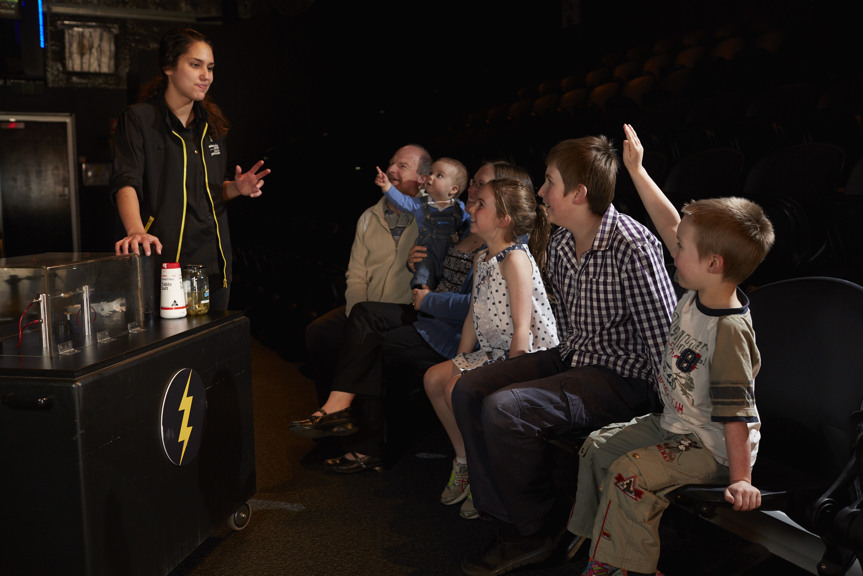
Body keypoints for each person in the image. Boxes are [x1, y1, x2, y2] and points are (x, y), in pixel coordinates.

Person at [451, 135, 678, 576]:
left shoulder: (632, 246)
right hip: (576, 357)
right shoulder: (558, 244)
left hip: (623, 378)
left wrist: (671, 418)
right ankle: (506, 518)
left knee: (505, 409)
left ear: (578, 193)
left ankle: (534, 532)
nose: (540, 192)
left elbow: (663, 339)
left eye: (549, 183)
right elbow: (568, 333)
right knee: (470, 389)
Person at [570, 123, 775, 576]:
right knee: (596, 448)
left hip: (712, 447)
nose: (672, 249)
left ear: (713, 264)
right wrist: (636, 171)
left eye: (680, 248)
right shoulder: (701, 282)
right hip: (676, 425)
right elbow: (669, 222)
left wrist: (741, 479)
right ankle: (600, 543)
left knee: (630, 473)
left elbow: (737, 414)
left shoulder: (728, 333)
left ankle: (625, 565)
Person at [290, 161, 535, 474]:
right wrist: (416, 263)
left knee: (373, 344)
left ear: (503, 199)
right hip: (429, 314)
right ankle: (338, 412)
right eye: (473, 182)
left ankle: (365, 446)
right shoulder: (466, 225)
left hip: (448, 327)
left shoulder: (503, 246)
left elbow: (478, 307)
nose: (473, 190)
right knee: (360, 318)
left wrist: (430, 299)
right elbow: (436, 262)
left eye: (481, 186)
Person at [424, 177, 559, 521]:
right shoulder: (483, 257)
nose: (471, 208)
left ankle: (488, 480)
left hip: (526, 356)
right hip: (493, 352)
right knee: (433, 378)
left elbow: (523, 328)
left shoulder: (515, 260)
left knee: (457, 389)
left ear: (504, 220)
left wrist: (514, 376)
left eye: (480, 204)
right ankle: (465, 462)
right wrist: (459, 357)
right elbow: (473, 312)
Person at [110, 27, 270, 312]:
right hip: (165, 263)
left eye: (209, 67)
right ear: (169, 67)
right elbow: (126, 180)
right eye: (195, 65)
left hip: (214, 262)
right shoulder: (139, 119)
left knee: (213, 351)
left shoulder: (213, 125)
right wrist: (136, 230)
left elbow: (208, 190)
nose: (205, 75)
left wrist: (237, 188)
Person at [303, 144, 431, 405]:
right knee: (320, 332)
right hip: (366, 308)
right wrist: (355, 312)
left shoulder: (431, 216)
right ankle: (334, 427)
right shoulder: (368, 217)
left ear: (422, 178)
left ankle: (364, 433)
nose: (391, 169)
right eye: (391, 163)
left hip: (406, 310)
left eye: (402, 166)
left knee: (369, 339)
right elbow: (356, 274)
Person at [376, 157, 470, 289]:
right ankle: (422, 295)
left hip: (449, 257)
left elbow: (470, 229)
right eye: (431, 173)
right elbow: (402, 201)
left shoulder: (460, 209)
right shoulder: (420, 204)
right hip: (427, 255)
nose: (430, 177)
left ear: (453, 189)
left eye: (439, 175)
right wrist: (387, 186)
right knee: (423, 277)